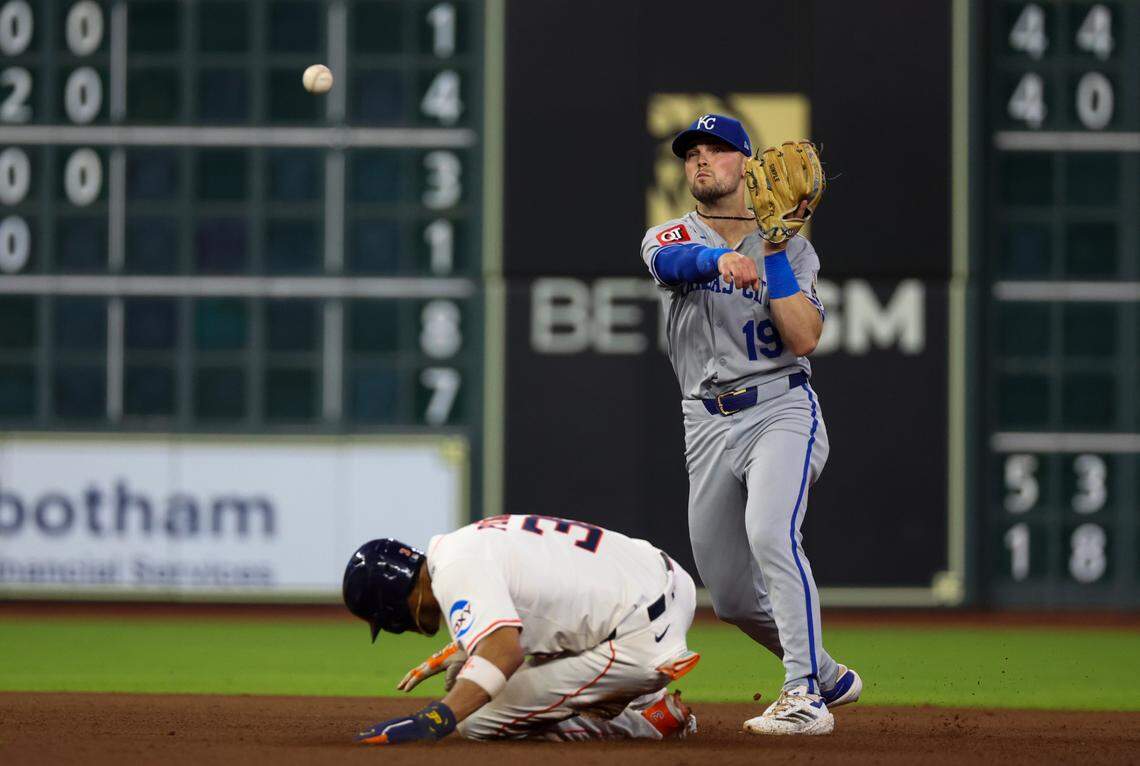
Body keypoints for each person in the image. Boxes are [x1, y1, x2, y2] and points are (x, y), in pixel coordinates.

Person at [638, 113, 861, 735]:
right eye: (691, 153)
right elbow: (670, 265)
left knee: (769, 532)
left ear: (749, 165)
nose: (701, 160)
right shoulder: (668, 233)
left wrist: (778, 250)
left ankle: (802, 695)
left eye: (716, 150)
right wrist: (718, 259)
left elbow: (804, 337)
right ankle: (827, 673)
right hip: (704, 423)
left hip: (779, 408)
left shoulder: (792, 247)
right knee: (731, 595)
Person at [342, 514, 701, 744]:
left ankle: (648, 722)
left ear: (391, 606)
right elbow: (538, 603)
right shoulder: (463, 543)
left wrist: (431, 720)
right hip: (668, 582)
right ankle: (639, 696)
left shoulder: (455, 570)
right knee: (464, 677)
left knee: (476, 721)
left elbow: (504, 652)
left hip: (639, 639)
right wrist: (463, 649)